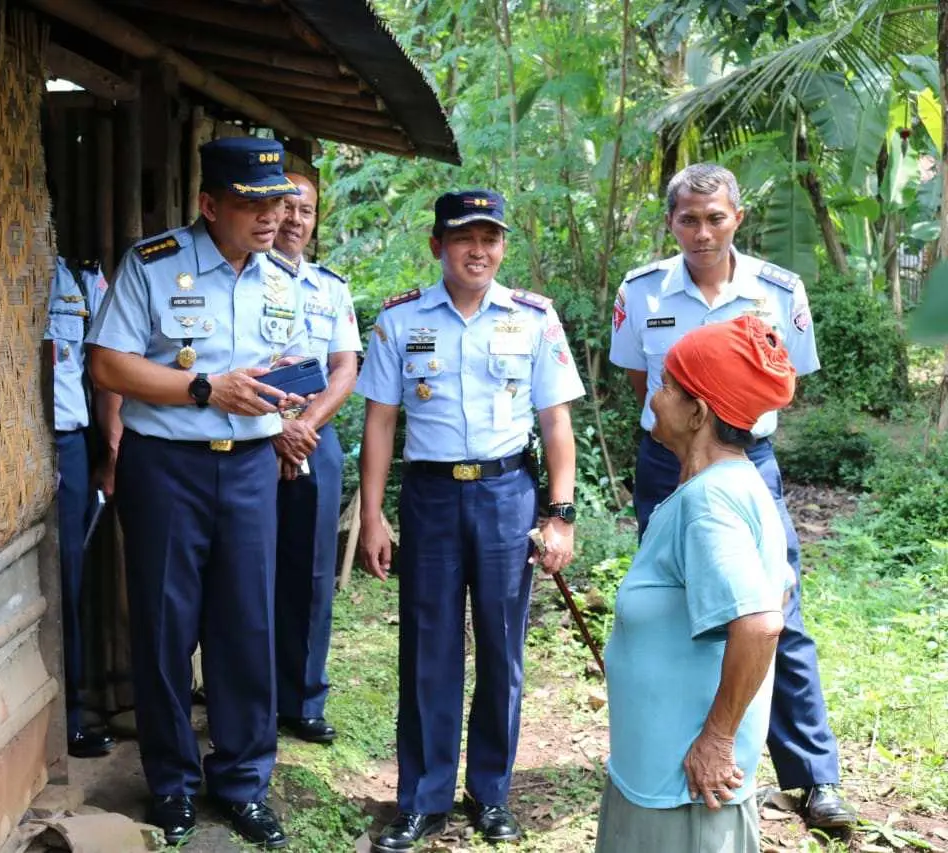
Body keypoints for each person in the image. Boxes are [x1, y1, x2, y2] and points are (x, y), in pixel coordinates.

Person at [609, 163, 856, 829]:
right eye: (687, 218)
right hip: (670, 456)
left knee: (775, 608)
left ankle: (810, 772)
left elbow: (787, 380)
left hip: (746, 459)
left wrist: (719, 449)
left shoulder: (776, 290)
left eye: (714, 216)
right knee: (674, 607)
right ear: (671, 223)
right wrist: (683, 441)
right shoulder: (643, 291)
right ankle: (678, 733)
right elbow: (643, 381)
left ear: (736, 218)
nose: (701, 230)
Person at [90, 136, 308, 849]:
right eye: (252, 203)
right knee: (164, 625)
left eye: (276, 201)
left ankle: (243, 782)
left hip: (249, 469)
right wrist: (203, 387)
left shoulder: (281, 279)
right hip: (168, 468)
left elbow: (293, 370)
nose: (270, 216)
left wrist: (286, 417)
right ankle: (174, 782)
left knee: (247, 626)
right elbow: (108, 365)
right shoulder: (154, 265)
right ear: (210, 204)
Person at [356, 190, 585, 852]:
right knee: (428, 648)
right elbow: (380, 423)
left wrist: (560, 515)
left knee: (501, 647)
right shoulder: (399, 321)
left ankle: (490, 792)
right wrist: (372, 517)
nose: (478, 250)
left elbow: (555, 423)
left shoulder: (534, 319)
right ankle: (423, 798)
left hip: (506, 494)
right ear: (438, 246)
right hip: (430, 498)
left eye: (490, 238)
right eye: (463, 238)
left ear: (502, 246)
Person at [598, 315, 797, 853]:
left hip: (684, 789)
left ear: (698, 413)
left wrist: (717, 739)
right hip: (659, 772)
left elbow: (759, 623)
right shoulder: (731, 484)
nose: (654, 398)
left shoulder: (711, 503)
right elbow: (778, 584)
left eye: (666, 387)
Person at [269, 173, 361, 746]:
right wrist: (275, 428)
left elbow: (345, 368)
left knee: (311, 572)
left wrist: (303, 427)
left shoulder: (331, 288)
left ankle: (302, 699)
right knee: (245, 570)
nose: (295, 219)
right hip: (251, 437)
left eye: (306, 210)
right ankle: (245, 691)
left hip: (314, 438)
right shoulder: (245, 278)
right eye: (285, 207)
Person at [44, 257, 115, 759]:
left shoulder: (78, 279)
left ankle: (69, 717)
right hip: (1, 443)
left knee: (67, 579)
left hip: (67, 442)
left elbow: (104, 369)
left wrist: (109, 451)